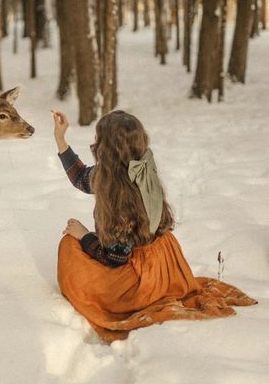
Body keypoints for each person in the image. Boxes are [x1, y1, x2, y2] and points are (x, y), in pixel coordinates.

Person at [52, 109, 257, 343]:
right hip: (167, 263)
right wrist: (61, 139)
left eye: (98, 140)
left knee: (69, 246)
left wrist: (84, 235)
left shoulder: (120, 196)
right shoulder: (132, 170)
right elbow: (81, 177)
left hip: (142, 279)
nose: (94, 144)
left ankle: (125, 297)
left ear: (106, 150)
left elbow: (114, 258)